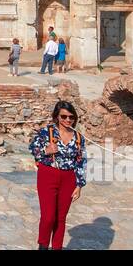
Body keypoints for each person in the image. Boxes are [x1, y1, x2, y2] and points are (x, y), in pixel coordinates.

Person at [30, 101, 87, 250]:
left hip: (69, 179)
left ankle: (57, 247)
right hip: (48, 175)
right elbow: (32, 148)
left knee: (60, 218)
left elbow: (81, 161)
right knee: (48, 217)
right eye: (64, 116)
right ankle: (42, 246)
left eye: (71, 117)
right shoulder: (46, 132)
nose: (68, 120)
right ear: (57, 116)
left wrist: (79, 185)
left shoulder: (79, 138)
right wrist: (45, 150)